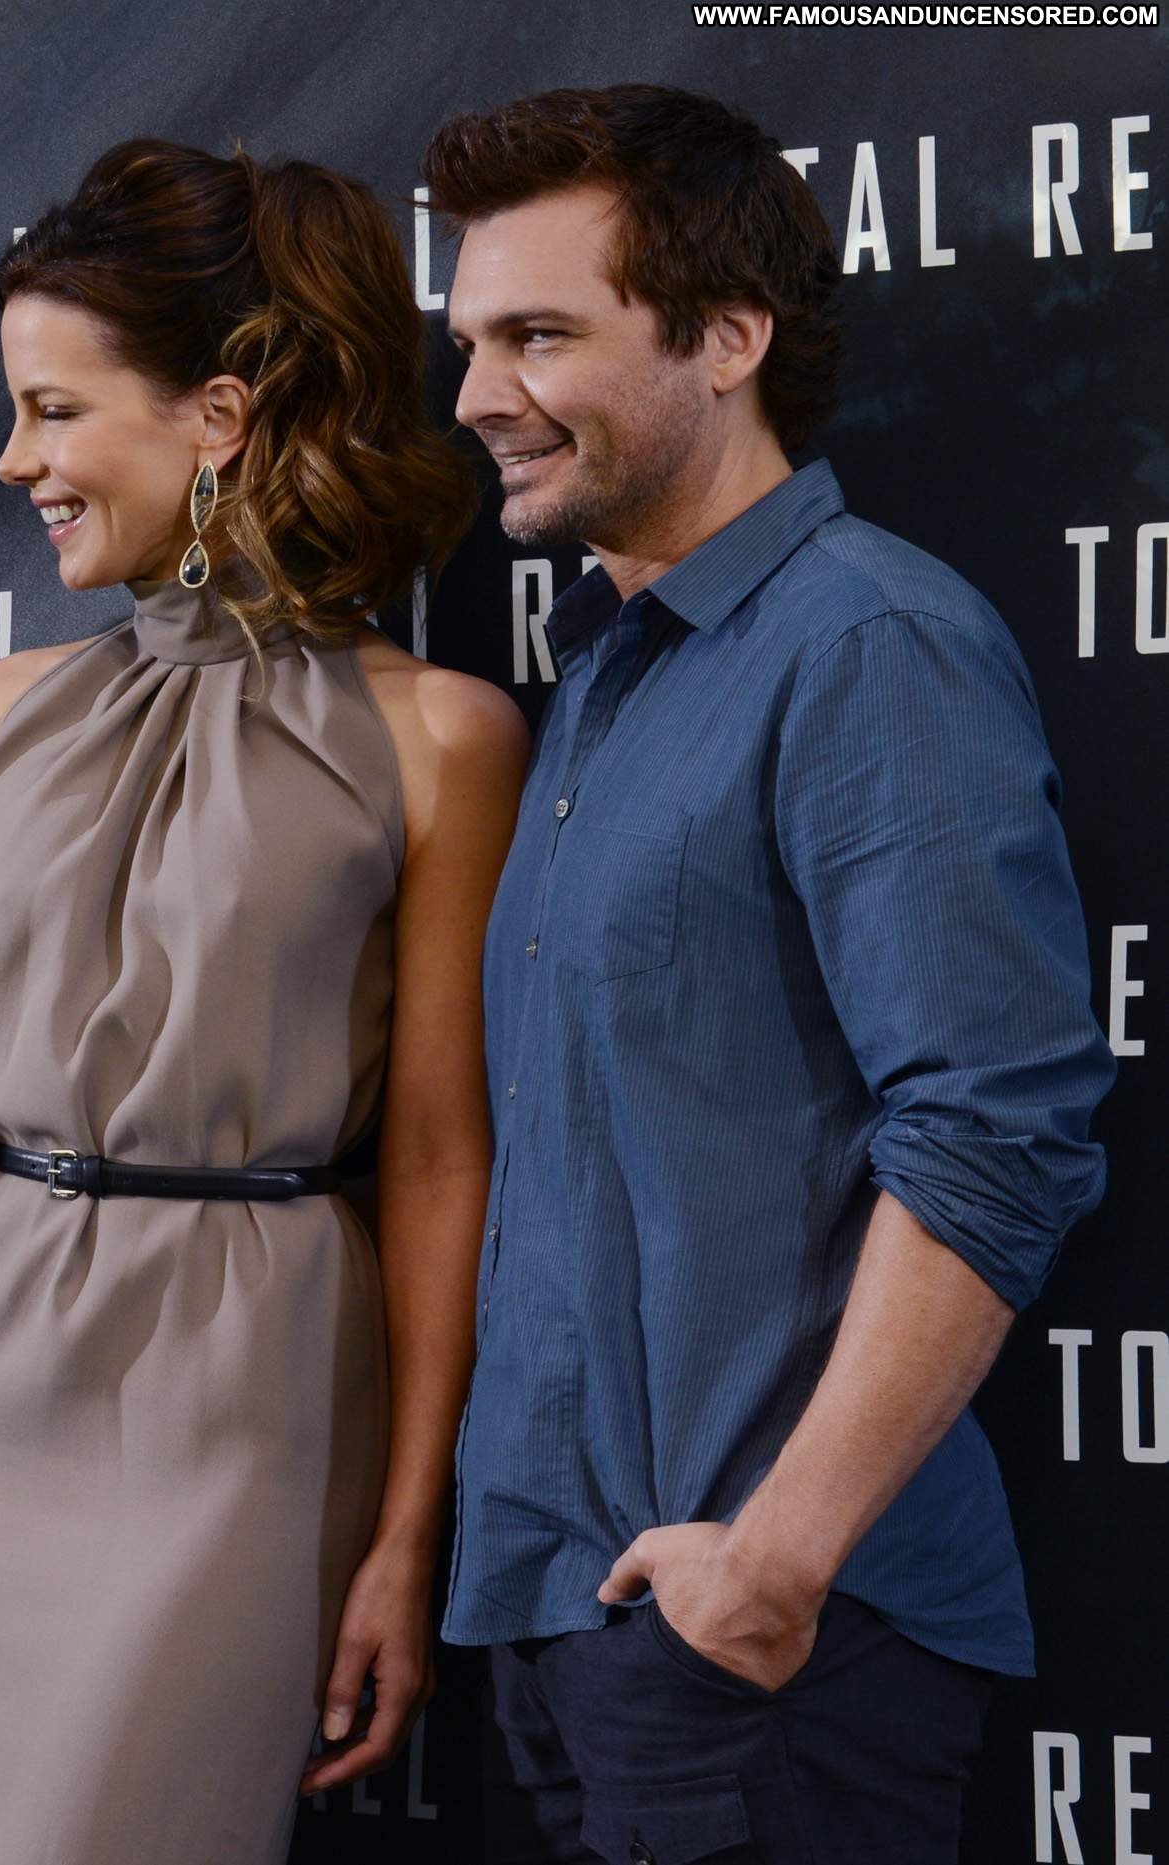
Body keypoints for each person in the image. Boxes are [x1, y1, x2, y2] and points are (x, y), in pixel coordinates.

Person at [0, 140, 529, 1863]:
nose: (12, 459)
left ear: (217, 416)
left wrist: (405, 1532)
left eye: (53, 411)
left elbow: (439, 1162)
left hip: (250, 1395)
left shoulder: (442, 739)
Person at [423, 85, 1113, 1863]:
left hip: (776, 1644)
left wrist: (776, 1561)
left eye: (538, 335)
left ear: (727, 341)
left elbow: (996, 1133)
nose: (477, 393)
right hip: (579, 1619)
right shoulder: (608, 673)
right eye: (471, 340)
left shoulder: (867, 642)